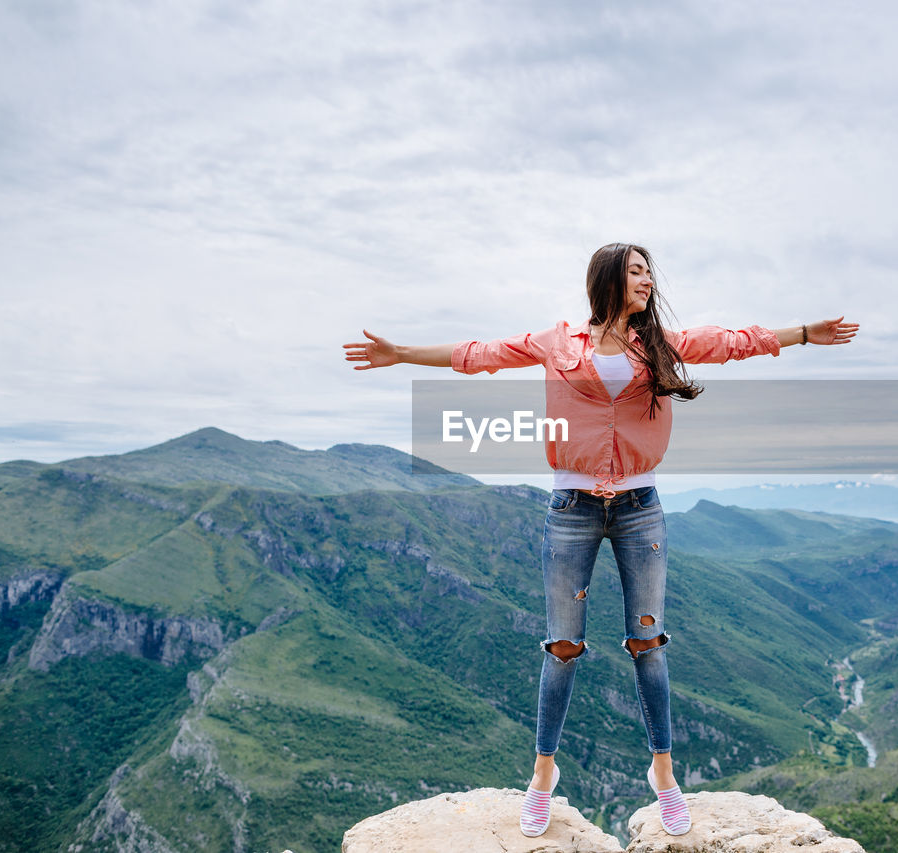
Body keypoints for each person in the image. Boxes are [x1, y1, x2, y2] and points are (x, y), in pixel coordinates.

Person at [343, 242, 858, 837]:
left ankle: (664, 777)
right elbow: (477, 354)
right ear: (609, 279)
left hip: (641, 508)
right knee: (562, 646)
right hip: (573, 507)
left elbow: (731, 341)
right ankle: (542, 778)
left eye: (648, 272)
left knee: (648, 642)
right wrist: (399, 353)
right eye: (636, 271)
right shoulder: (556, 342)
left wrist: (799, 333)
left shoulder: (659, 344)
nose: (646, 281)